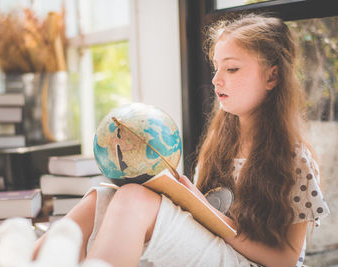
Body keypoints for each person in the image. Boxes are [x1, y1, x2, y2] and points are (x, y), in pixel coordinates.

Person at [34, 13, 330, 267]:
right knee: (103, 195)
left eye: (232, 68)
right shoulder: (221, 142)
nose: (216, 79)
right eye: (216, 68)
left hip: (246, 259)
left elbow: (288, 260)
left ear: (272, 77)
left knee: (134, 199)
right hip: (219, 246)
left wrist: (214, 218)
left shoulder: (293, 158)